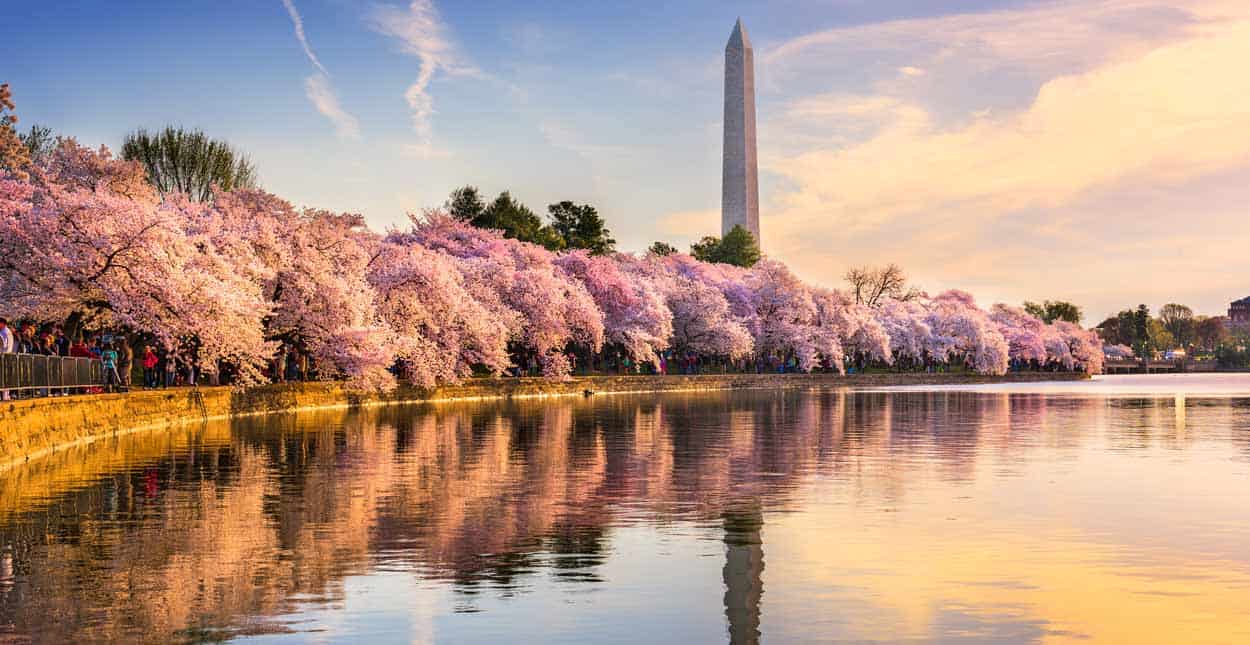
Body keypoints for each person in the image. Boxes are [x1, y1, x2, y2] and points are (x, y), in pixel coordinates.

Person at [0, 318, 13, 401]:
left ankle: (4, 395)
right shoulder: (8, 331)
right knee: (5, 376)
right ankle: (6, 395)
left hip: (3, 355)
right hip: (7, 355)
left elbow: (3, 345)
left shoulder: (4, 332)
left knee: (3, 376)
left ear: (2, 323)